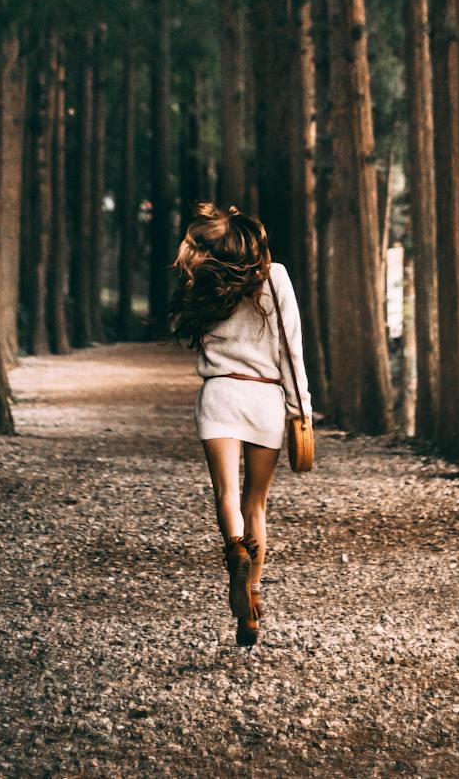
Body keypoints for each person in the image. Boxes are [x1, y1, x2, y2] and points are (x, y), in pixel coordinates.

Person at [168, 202, 312, 647]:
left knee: (226, 495)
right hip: (264, 397)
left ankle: (234, 549)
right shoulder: (277, 276)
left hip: (219, 395)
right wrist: (300, 410)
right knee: (256, 504)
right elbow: (291, 348)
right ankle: (251, 600)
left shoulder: (205, 282)